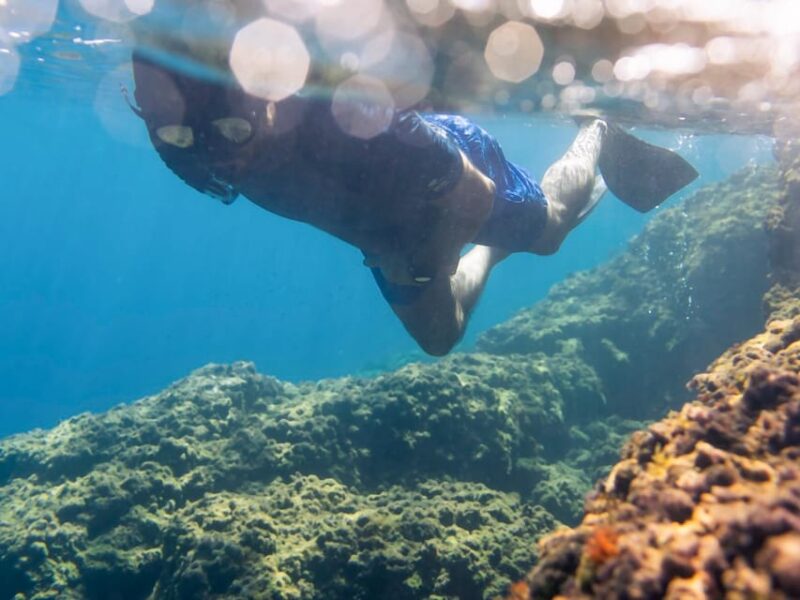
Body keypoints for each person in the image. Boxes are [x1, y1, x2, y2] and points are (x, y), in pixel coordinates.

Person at [129, 53, 698, 356]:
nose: (214, 157)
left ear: (265, 94)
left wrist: (429, 258)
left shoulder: (357, 121)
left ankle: (595, 131)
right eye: (171, 134)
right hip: (384, 234)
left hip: (450, 178)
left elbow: (471, 192)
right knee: (439, 339)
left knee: (549, 232)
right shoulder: (199, 140)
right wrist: (398, 251)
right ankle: (487, 249)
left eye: (231, 131)